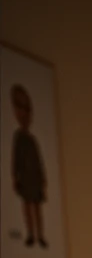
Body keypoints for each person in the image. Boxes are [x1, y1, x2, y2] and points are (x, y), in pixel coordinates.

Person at [9, 84, 48, 249]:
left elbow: (39, 161)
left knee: (37, 208)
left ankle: (40, 235)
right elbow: (15, 159)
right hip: (25, 178)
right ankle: (31, 234)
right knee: (27, 207)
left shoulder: (32, 140)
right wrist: (15, 177)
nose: (24, 114)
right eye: (20, 109)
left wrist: (43, 179)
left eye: (27, 110)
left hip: (35, 179)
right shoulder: (18, 138)